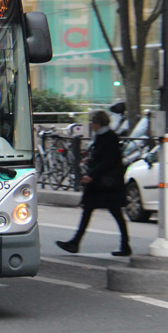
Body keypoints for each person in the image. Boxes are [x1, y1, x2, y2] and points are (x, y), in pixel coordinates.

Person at [56, 109, 131, 257]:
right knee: (97, 211)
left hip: (106, 183)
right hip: (104, 183)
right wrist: (90, 161)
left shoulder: (108, 137)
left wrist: (91, 175)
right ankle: (76, 242)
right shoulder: (104, 136)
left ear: (97, 123)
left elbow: (108, 161)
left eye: (92, 122)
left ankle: (76, 242)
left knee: (111, 212)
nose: (90, 125)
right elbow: (103, 158)